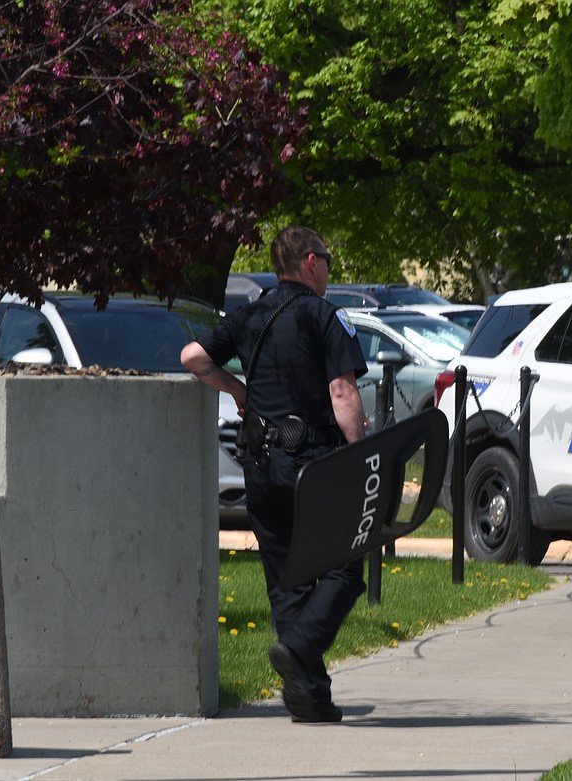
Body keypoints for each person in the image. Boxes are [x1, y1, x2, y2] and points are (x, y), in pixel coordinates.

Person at [180, 226, 367, 723]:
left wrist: (238, 393)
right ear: (310, 261)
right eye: (326, 258)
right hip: (313, 467)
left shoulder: (250, 314)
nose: (329, 267)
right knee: (346, 567)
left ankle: (310, 698)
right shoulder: (326, 316)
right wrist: (362, 455)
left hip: (260, 468)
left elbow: (193, 358)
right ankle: (302, 647)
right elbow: (343, 395)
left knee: (287, 582)